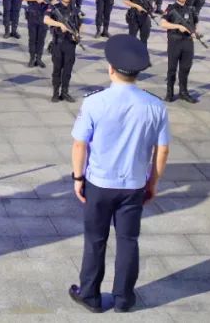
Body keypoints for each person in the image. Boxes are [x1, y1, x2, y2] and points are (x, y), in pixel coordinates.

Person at [69, 34, 169, 315]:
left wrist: (78, 178)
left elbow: (79, 144)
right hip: (134, 184)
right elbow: (162, 150)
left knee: (95, 240)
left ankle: (90, 294)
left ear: (110, 68)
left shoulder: (95, 102)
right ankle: (124, 298)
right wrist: (153, 182)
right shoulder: (155, 105)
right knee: (128, 241)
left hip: (99, 183)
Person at [160, 0, 200, 103]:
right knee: (172, 68)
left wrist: (195, 32)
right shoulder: (171, 8)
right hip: (175, 42)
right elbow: (163, 23)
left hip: (187, 42)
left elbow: (195, 23)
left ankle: (183, 92)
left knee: (185, 68)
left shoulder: (191, 9)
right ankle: (170, 93)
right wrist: (178, 26)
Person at [44, 0, 81, 103]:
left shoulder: (75, 9)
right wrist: (60, 24)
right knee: (57, 70)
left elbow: (79, 24)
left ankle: (65, 92)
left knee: (67, 70)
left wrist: (77, 34)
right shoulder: (54, 8)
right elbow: (46, 20)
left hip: (70, 44)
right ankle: (55, 93)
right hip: (58, 44)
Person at [21, 0, 56, 68]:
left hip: (44, 16)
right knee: (32, 39)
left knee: (41, 38)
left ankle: (39, 58)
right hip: (33, 15)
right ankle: (32, 58)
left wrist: (50, 3)